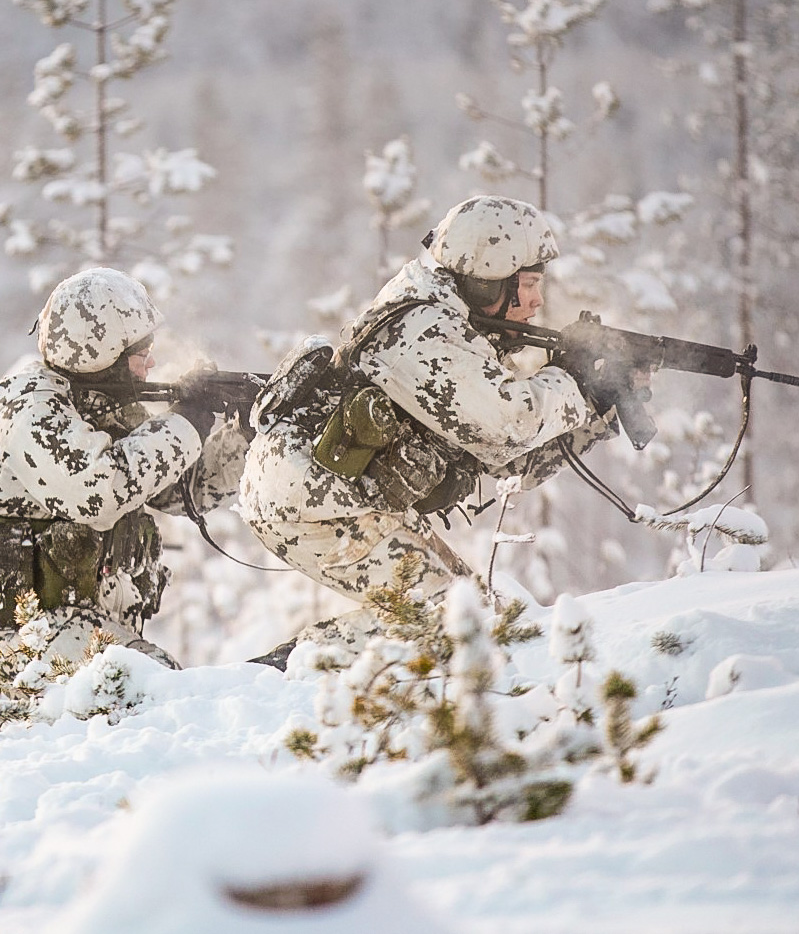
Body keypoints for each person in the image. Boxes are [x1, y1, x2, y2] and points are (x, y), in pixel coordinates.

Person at [239, 195, 625, 660]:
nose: (538, 300)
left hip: (341, 494)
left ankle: (305, 671)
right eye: (528, 283)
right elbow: (512, 424)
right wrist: (572, 380)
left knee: (474, 610)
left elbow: (507, 461)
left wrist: (595, 408)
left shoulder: (455, 320)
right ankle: (289, 671)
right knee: (446, 620)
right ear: (487, 282)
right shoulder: (423, 327)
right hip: (308, 498)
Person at [0, 268, 249, 665]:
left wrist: (242, 434)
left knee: (164, 683)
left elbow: (181, 490)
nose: (152, 363)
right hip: (18, 637)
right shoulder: (29, 409)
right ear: (102, 356)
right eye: (141, 354)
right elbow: (100, 491)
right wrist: (185, 422)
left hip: (79, 626)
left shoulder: (98, 405)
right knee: (162, 685)